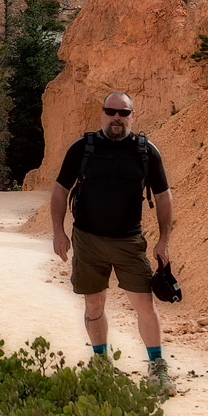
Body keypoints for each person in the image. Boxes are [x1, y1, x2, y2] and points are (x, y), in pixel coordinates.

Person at [49, 90, 174, 392]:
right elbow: (60, 189)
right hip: (87, 239)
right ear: (102, 113)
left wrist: (164, 240)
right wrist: (58, 231)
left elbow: (163, 196)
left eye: (123, 112)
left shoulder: (146, 151)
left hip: (129, 241)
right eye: (111, 111)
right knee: (94, 303)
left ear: (133, 116)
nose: (116, 117)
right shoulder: (83, 148)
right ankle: (101, 363)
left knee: (144, 303)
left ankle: (158, 368)